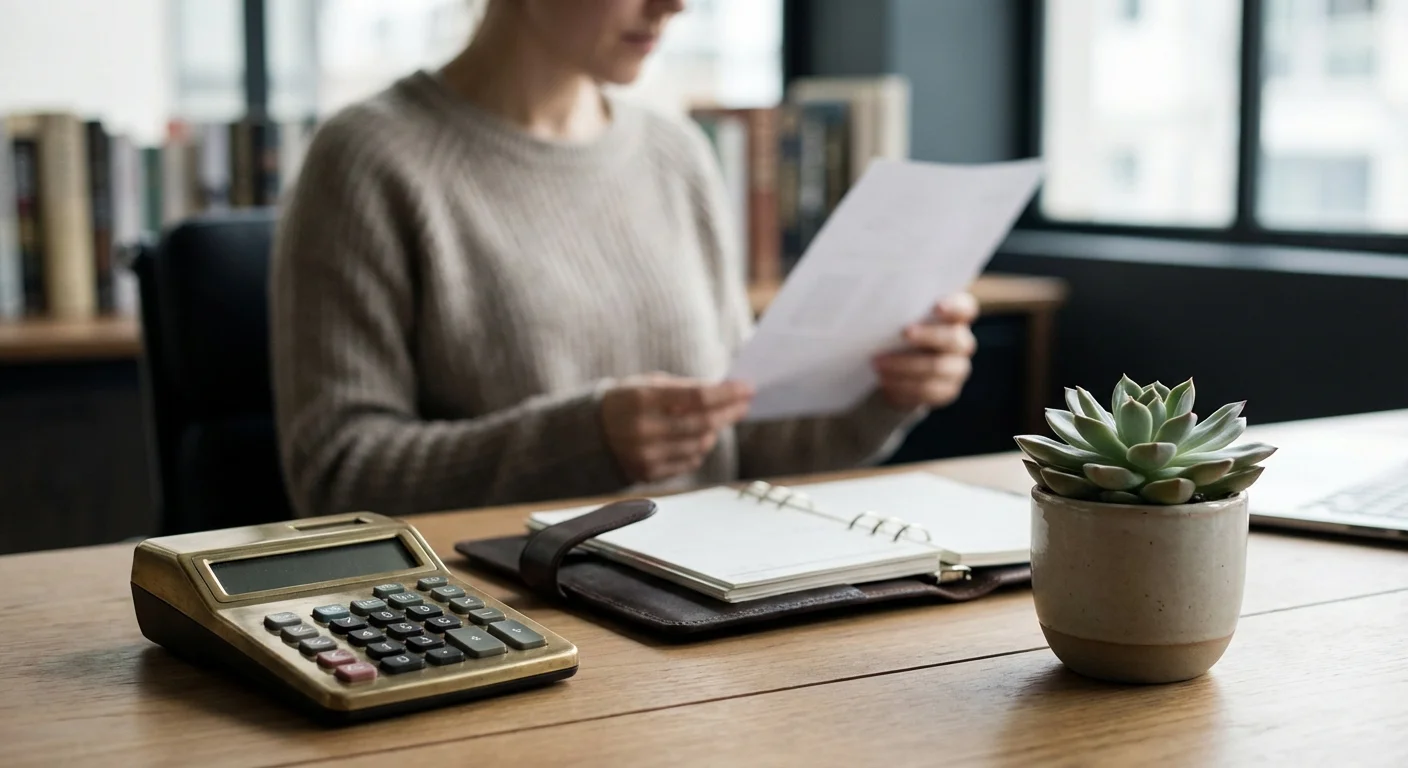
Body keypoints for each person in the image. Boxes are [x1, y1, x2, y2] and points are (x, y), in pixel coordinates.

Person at [270, 0, 979, 518]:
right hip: (507, 633)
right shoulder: (367, 160)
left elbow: (742, 446)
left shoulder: (679, 158)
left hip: (707, 604)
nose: (676, 5)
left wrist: (884, 390)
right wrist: (584, 441)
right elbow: (337, 476)